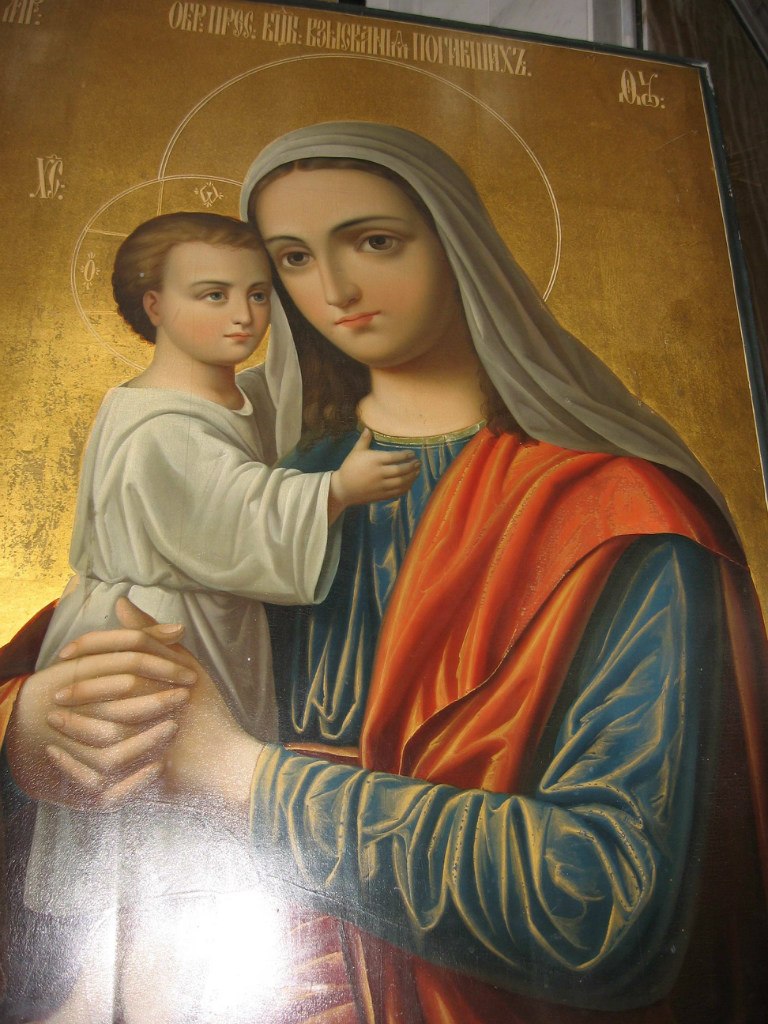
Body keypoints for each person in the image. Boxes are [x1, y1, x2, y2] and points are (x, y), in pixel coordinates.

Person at [3, 123, 767, 1024]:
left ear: (459, 248)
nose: (335, 291)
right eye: (294, 258)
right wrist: (39, 728)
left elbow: (607, 900)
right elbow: (68, 654)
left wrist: (239, 773)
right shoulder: (264, 484)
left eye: (373, 242)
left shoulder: (616, 521)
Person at [11, 209, 420, 1021]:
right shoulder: (158, 420)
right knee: (157, 837)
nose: (243, 316)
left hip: (205, 628)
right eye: (213, 295)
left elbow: (272, 405)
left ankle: (112, 997)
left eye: (259, 295)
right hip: (155, 633)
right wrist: (336, 491)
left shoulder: (218, 392)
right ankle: (114, 1000)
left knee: (169, 839)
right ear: (154, 306)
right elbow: (228, 509)